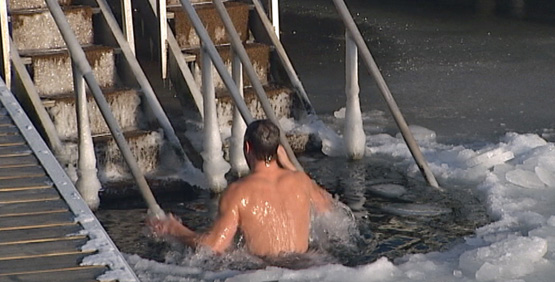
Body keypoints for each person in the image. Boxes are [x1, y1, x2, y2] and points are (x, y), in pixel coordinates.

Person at [147, 119, 333, 257]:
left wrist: (175, 229)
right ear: (277, 149)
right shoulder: (301, 181)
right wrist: (291, 166)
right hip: (308, 268)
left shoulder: (238, 193)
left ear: (247, 147)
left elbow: (213, 246)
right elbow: (328, 208)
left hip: (267, 273)